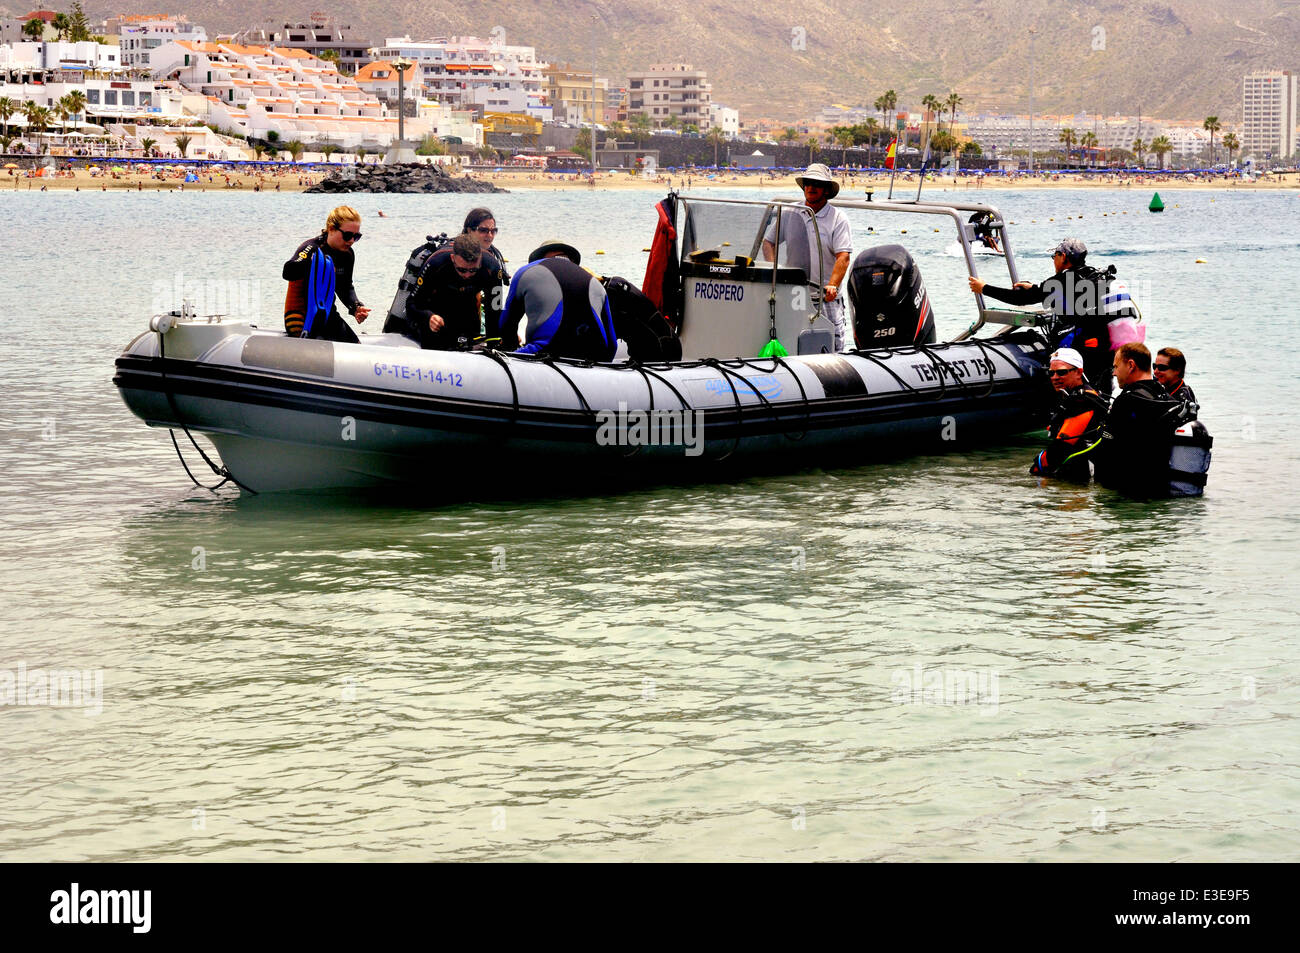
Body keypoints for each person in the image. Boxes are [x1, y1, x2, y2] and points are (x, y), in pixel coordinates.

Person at [967, 238, 1113, 394]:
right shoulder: (1094, 275)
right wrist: (1035, 288)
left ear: (1063, 257)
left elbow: (1020, 299)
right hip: (1104, 346)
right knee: (1102, 394)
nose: (1054, 261)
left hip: (1083, 349)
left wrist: (984, 288)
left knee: (1080, 393)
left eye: (1054, 256)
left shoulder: (1061, 280)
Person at [761, 163, 852, 350]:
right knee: (791, 344)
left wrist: (833, 285)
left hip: (825, 298)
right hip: (794, 295)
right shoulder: (788, 212)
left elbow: (843, 257)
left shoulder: (838, 218)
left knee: (833, 349)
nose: (811, 187)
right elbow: (768, 243)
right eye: (808, 183)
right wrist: (774, 272)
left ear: (826, 189)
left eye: (816, 183)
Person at [498, 240, 617, 362]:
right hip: (596, 354)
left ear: (539, 258)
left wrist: (509, 350)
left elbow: (506, 324)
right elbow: (612, 344)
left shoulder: (526, 271)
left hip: (545, 350)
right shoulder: (595, 282)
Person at [1094, 343, 1186, 498]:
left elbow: (1106, 453)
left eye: (1116, 367)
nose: (1114, 373)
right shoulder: (1167, 398)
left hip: (1127, 494)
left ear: (1131, 365)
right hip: (1158, 489)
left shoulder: (1127, 400)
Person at [383, 233, 502, 350]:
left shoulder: (492, 268)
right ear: (452, 258)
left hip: (467, 314)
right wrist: (428, 317)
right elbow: (411, 304)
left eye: (473, 270)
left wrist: (497, 343)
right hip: (437, 315)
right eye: (462, 270)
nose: (467, 275)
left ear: (480, 259)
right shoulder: (436, 263)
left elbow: (495, 309)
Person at [282, 206, 370, 341]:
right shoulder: (312, 247)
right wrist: (314, 265)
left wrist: (356, 307)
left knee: (355, 345)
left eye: (356, 236)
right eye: (347, 235)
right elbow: (288, 271)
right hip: (300, 315)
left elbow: (345, 287)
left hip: (327, 313)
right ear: (331, 229)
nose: (351, 240)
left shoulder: (347, 255)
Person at [1031, 348, 1109, 482]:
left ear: (1079, 372)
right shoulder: (1074, 396)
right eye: (1051, 373)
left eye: (1061, 372)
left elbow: (1060, 448)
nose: (1055, 377)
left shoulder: (1082, 401)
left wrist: (1036, 468)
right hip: (1076, 473)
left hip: (1081, 478)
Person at [1153, 347, 1198, 416]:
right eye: (1154, 366)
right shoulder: (1164, 390)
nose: (1155, 371)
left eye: (1161, 368)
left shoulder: (1183, 397)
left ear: (1177, 370)